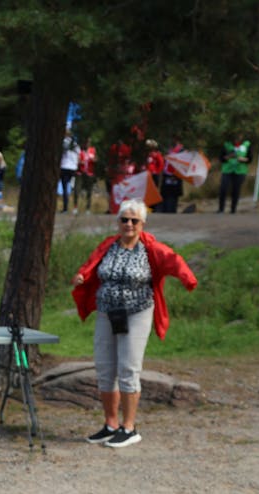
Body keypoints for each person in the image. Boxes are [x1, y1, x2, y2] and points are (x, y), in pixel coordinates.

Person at [70, 199, 198, 448]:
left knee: (129, 368)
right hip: (107, 313)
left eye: (134, 220)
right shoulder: (109, 245)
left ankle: (129, 428)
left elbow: (174, 260)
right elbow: (93, 264)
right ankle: (111, 424)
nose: (128, 224)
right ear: (118, 222)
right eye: (124, 219)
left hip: (137, 313)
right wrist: (82, 276)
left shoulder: (150, 249)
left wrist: (188, 279)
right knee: (105, 368)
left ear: (142, 224)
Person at [217, 135, 252, 214]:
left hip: (240, 171)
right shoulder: (227, 144)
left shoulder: (247, 144)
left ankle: (233, 209)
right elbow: (221, 158)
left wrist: (242, 159)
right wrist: (229, 156)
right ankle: (221, 209)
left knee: (236, 190)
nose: (237, 138)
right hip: (227, 170)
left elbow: (250, 159)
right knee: (223, 188)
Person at [160, 138, 185, 213]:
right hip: (166, 174)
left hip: (176, 175)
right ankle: (165, 209)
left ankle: (172, 210)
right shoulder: (166, 149)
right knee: (165, 193)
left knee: (174, 194)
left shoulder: (181, 150)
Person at [60, 130, 80, 214]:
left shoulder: (63, 142)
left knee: (65, 188)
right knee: (74, 188)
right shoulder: (76, 144)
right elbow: (79, 156)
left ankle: (65, 208)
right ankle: (75, 207)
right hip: (73, 168)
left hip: (64, 166)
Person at [74, 138, 96, 214]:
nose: (87, 144)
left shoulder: (93, 150)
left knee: (89, 191)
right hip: (80, 173)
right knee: (77, 190)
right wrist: (80, 161)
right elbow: (77, 160)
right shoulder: (80, 151)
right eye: (85, 142)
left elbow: (96, 159)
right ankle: (75, 207)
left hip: (90, 173)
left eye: (88, 142)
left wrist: (93, 160)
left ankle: (88, 208)